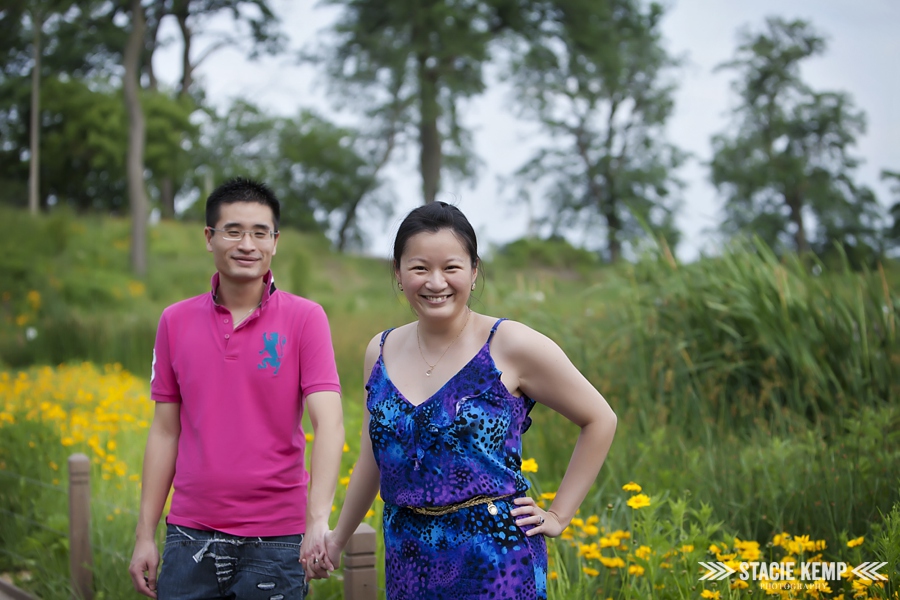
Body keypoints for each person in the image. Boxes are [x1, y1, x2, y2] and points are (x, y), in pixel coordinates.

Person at [308, 201, 617, 599]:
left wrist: (559, 514)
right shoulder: (380, 349)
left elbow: (599, 419)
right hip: (408, 558)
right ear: (399, 274)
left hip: (496, 561)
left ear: (473, 271)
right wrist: (337, 539)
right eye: (420, 268)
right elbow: (374, 458)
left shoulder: (509, 344)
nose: (436, 282)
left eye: (451, 268)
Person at [128, 178, 344, 599]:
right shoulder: (174, 321)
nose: (248, 244)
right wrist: (145, 534)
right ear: (209, 238)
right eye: (234, 230)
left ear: (275, 242)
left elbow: (330, 423)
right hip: (189, 535)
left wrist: (317, 520)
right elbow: (164, 431)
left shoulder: (306, 318)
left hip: (278, 541)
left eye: (260, 232)